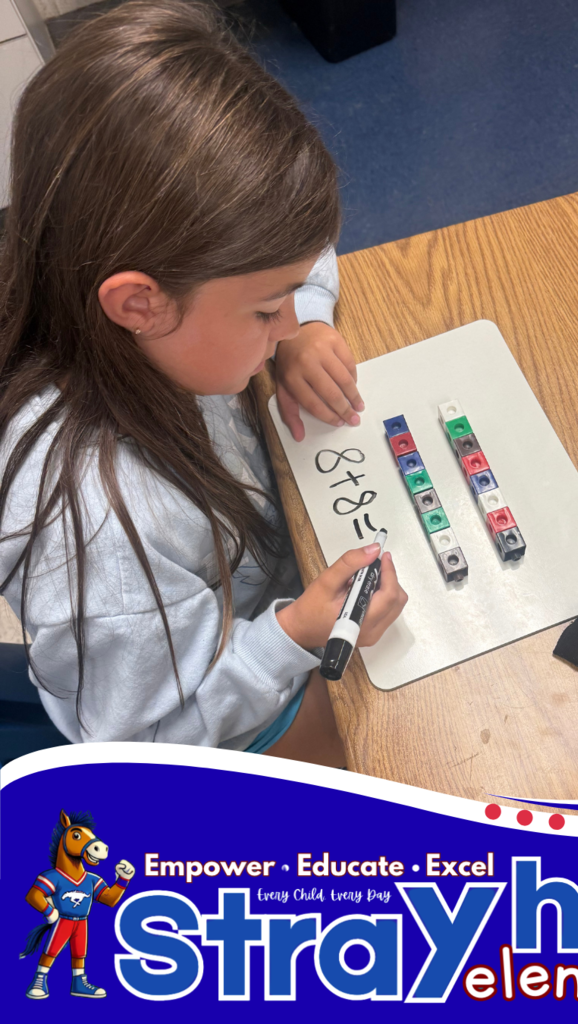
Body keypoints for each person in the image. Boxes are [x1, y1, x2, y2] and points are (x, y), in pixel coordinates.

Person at [0, 0, 407, 767]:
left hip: (255, 583)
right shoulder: (100, 537)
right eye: (264, 310)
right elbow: (141, 745)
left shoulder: (132, 300)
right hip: (229, 718)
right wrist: (293, 638)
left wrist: (305, 324)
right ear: (139, 303)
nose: (281, 322)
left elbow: (303, 245)